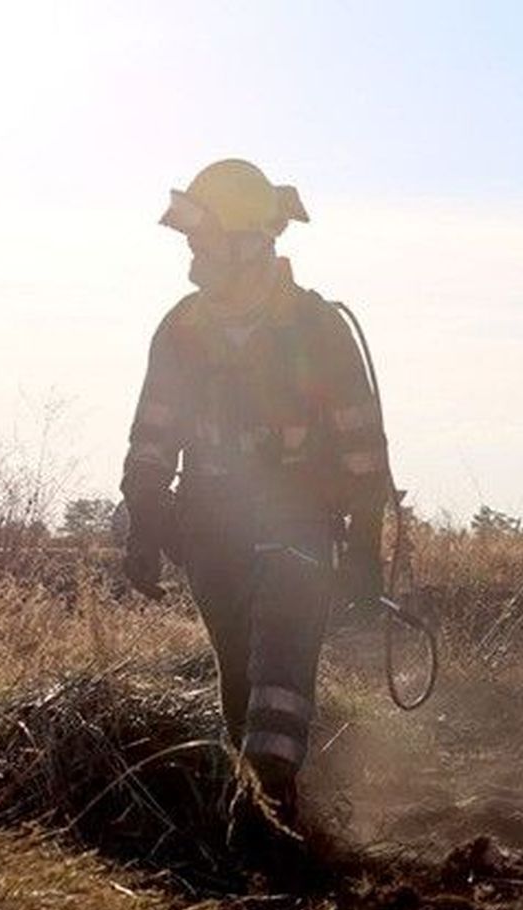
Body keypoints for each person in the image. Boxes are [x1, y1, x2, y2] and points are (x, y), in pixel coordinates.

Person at [120, 159, 389, 826]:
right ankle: (269, 803)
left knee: (281, 664)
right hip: (209, 531)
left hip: (299, 525)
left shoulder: (317, 329)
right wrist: (145, 522)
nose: (193, 260)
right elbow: (153, 434)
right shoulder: (182, 329)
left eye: (204, 244)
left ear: (248, 245)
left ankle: (265, 801)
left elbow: (363, 450)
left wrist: (363, 544)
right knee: (241, 677)